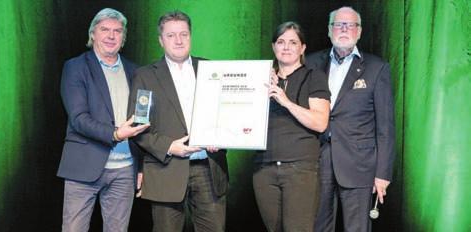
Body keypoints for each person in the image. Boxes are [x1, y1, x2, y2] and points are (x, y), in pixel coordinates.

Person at [128, 10, 229, 232]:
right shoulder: (145, 75)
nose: (179, 40)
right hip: (167, 170)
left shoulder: (212, 70)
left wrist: (222, 136)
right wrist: (170, 147)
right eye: (171, 35)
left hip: (209, 169)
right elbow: (138, 127)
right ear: (160, 40)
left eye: (184, 34)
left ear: (191, 36)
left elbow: (228, 115)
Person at [57, 8, 149, 232]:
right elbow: (79, 119)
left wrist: (142, 167)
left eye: (117, 31)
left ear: (123, 38)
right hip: (83, 167)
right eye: (104, 29)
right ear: (93, 34)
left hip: (125, 170)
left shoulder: (136, 71)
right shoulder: (75, 67)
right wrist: (116, 134)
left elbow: (142, 122)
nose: (111, 35)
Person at [305, 6, 396, 232]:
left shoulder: (377, 68)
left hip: (360, 165)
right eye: (338, 24)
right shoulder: (310, 63)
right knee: (317, 227)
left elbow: (386, 127)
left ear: (359, 31)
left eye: (350, 25)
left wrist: (383, 174)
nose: (344, 29)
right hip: (318, 161)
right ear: (329, 30)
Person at [253, 21, 330, 232]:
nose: (286, 47)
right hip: (264, 169)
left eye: (293, 42)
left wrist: (285, 101)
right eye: (281, 42)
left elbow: (321, 123)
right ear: (273, 47)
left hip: (300, 169)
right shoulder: (259, 79)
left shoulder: (314, 77)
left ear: (302, 48)